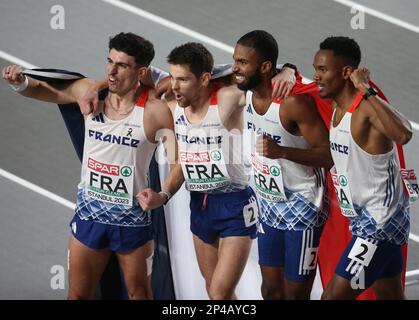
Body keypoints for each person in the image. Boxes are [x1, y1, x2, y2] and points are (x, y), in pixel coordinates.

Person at [2, 32, 175, 300]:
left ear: (141, 71)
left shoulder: (155, 111)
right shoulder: (90, 95)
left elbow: (179, 161)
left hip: (131, 222)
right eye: (109, 62)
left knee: (139, 294)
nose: (111, 71)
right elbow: (44, 90)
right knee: (78, 295)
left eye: (122, 65)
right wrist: (20, 82)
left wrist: (162, 196)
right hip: (89, 216)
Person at [138, 41, 298, 300]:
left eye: (183, 80)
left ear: (204, 79)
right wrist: (163, 195)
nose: (174, 86)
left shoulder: (227, 98)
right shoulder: (172, 107)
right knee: (214, 292)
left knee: (221, 292)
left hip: (234, 205)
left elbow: (260, 78)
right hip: (200, 206)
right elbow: (183, 162)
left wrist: (288, 70)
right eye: (173, 78)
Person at [232, 30, 333, 299]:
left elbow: (328, 155)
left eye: (243, 63)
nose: (236, 69)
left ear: (265, 67)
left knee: (295, 293)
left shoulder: (293, 104)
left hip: (302, 205)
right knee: (270, 290)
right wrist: (288, 67)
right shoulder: (247, 93)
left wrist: (281, 151)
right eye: (235, 60)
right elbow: (204, 73)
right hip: (268, 203)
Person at [312, 36, 412, 300]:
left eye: (323, 70)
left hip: (379, 223)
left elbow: (403, 134)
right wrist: (287, 69)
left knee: (332, 297)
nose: (317, 76)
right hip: (363, 220)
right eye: (316, 69)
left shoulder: (365, 108)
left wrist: (367, 89)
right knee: (390, 295)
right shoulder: (337, 106)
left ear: (346, 73)